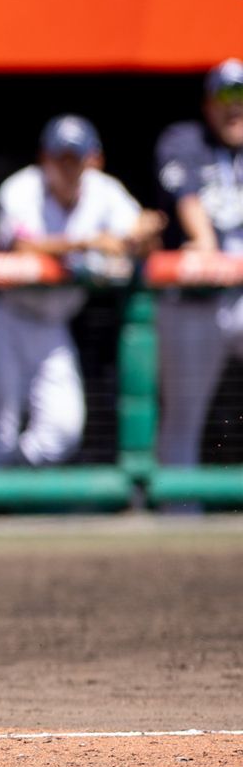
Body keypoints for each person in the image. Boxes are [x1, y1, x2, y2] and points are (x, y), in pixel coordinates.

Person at [0, 116, 163, 467]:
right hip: (4, 314)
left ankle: (8, 486)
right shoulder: (20, 188)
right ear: (44, 158)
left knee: (63, 429)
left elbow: (139, 237)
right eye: (60, 157)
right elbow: (22, 247)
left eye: (76, 157)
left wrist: (143, 234)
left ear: (94, 159)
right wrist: (89, 242)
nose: (68, 166)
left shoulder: (105, 191)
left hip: (51, 323)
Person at [154, 58, 243, 465]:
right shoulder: (184, 139)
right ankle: (175, 516)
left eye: (241, 95)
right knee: (184, 417)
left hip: (239, 297)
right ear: (208, 104)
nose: (234, 105)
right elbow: (186, 195)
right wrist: (203, 237)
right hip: (194, 300)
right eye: (225, 95)